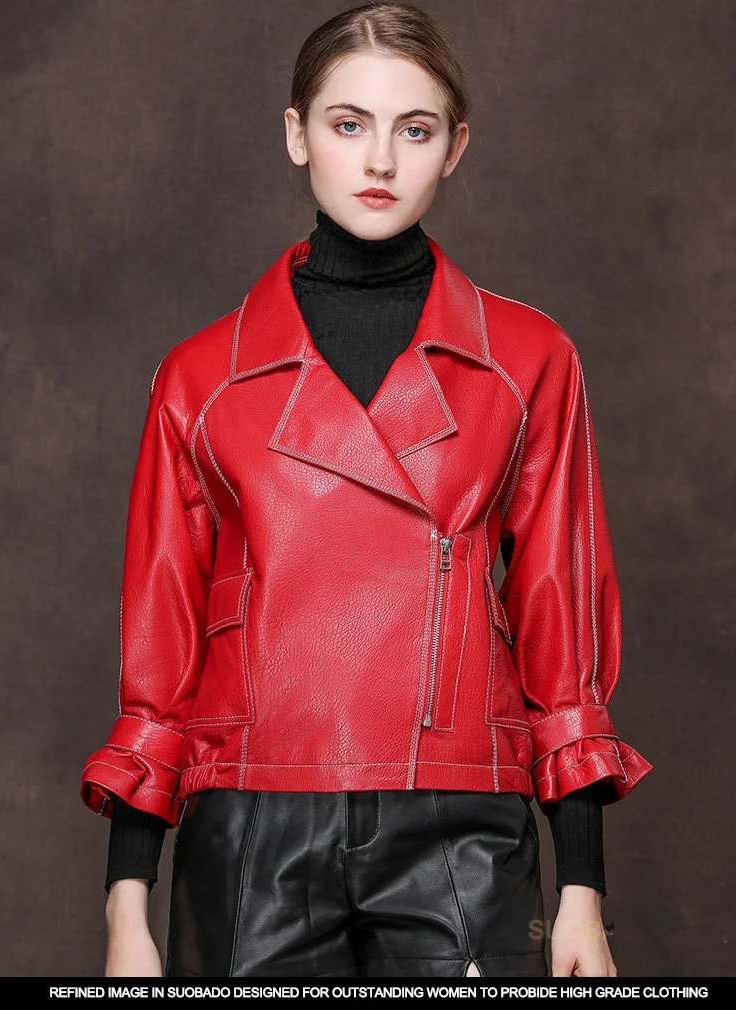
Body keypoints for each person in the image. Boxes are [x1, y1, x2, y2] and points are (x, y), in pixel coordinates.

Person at [80, 2, 652, 979]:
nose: (380, 160)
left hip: (462, 820)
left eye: (414, 130)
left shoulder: (529, 360)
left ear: (455, 147)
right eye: (349, 124)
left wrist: (582, 891)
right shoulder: (199, 377)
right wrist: (125, 900)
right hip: (251, 820)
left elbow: (560, 626)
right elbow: (161, 645)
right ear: (297, 133)